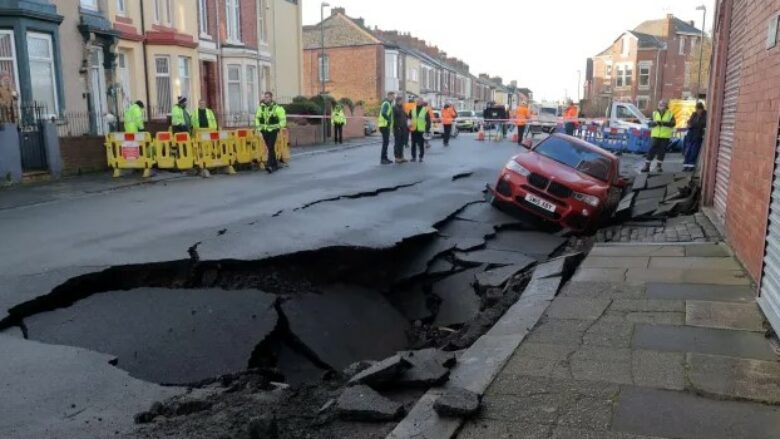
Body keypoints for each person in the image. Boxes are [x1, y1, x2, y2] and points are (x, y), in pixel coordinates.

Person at [255, 91, 287, 174]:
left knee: (270, 146)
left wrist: (278, 127)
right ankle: (275, 165)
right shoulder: (261, 108)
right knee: (270, 148)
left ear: (271, 98)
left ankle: (269, 165)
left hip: (273, 131)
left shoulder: (277, 108)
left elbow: (283, 120)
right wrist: (258, 128)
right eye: (265, 97)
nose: (266, 98)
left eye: (268, 97)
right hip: (264, 131)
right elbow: (257, 118)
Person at [642, 99, 676, 173]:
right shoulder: (654, 113)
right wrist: (654, 123)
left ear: (666, 106)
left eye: (663, 105)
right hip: (655, 135)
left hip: (665, 136)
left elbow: (673, 124)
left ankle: (659, 167)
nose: (661, 106)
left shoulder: (670, 113)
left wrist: (664, 123)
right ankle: (647, 166)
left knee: (662, 151)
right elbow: (649, 123)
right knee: (651, 150)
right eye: (660, 105)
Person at [683, 102, 707, 172]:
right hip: (690, 135)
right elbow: (689, 121)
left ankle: (691, 166)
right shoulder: (694, 114)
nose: (697, 111)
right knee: (688, 151)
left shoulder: (705, 115)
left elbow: (702, 124)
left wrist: (692, 125)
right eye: (696, 109)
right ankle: (685, 166)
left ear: (701, 109)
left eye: (698, 109)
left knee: (694, 151)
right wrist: (690, 124)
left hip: (698, 136)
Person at [409, 97, 431, 162]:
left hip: (421, 130)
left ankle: (421, 157)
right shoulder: (412, 109)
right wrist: (409, 125)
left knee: (421, 144)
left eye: (420, 101)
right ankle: (413, 157)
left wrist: (427, 130)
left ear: (422, 102)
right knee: (413, 144)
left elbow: (428, 121)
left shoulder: (425, 110)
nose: (418, 102)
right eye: (417, 101)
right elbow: (409, 119)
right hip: (414, 129)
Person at [378, 91, 395, 164]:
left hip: (384, 125)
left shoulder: (387, 103)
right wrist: (388, 120)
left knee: (386, 142)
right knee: (385, 143)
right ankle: (383, 159)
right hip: (384, 125)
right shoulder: (386, 103)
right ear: (389, 96)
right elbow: (384, 113)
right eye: (393, 96)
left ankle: (385, 158)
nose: (394, 98)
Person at [392, 96, 408, 163]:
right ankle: (397, 157)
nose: (402, 102)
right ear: (398, 101)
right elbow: (394, 119)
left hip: (403, 127)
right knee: (397, 143)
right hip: (397, 128)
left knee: (402, 143)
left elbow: (405, 116)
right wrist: (396, 126)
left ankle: (401, 156)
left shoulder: (402, 108)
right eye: (401, 101)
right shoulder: (395, 108)